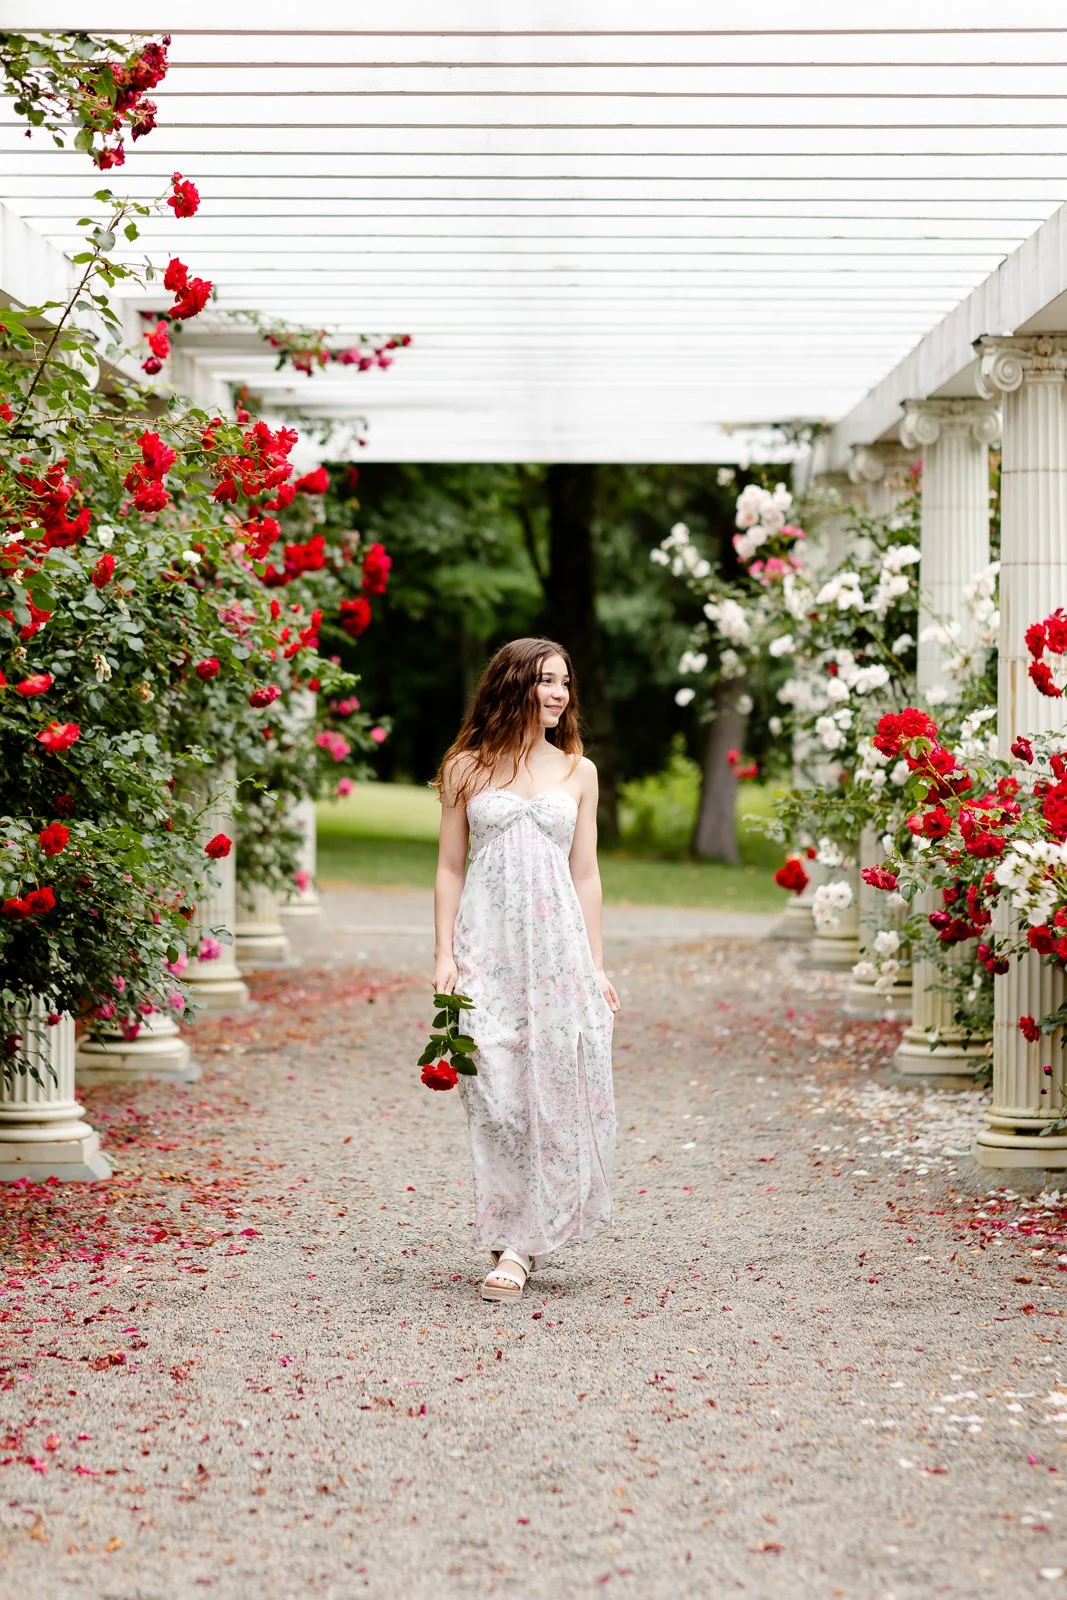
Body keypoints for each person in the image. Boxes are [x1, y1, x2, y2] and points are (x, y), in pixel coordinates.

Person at [432, 637, 619, 1302]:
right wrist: (444, 955)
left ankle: (517, 1245)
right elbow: (450, 867)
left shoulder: (578, 772)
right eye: (545, 680)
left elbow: (586, 873)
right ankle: (514, 1224)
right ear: (513, 684)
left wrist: (595, 967)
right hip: (487, 945)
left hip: (557, 952)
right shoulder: (466, 769)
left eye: (564, 682)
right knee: (493, 1091)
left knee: (549, 1092)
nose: (559, 694)